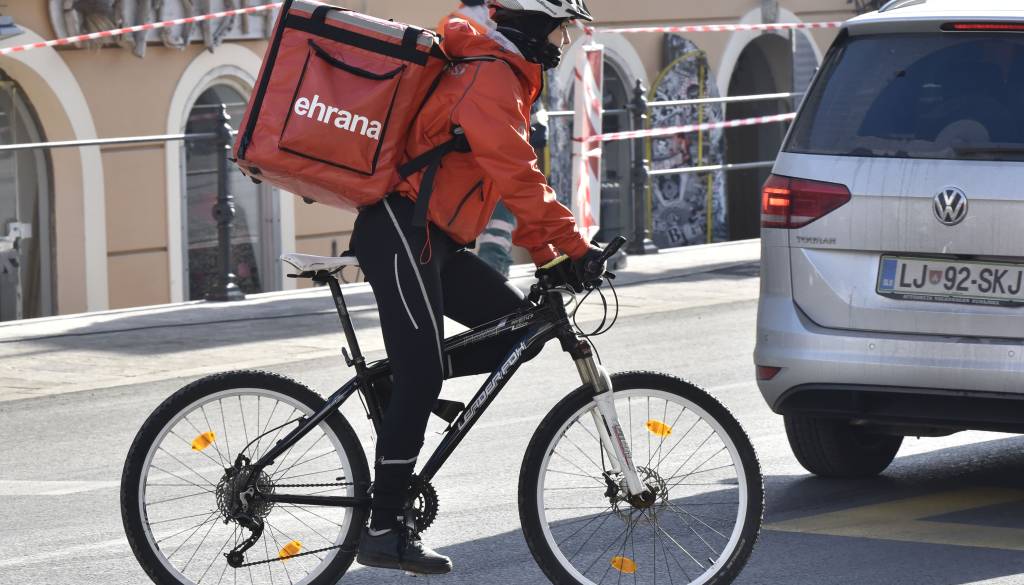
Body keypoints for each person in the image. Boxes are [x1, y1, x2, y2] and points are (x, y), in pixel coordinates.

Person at [350, 0, 603, 575]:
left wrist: (547, 258)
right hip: (402, 231)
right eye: (561, 30)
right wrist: (576, 247)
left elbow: (503, 178)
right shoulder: (490, 76)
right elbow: (518, 174)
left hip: (434, 238)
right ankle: (384, 528)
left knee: (516, 335)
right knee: (422, 374)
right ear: (533, 25)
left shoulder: (506, 76)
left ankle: (394, 383)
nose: (564, 44)